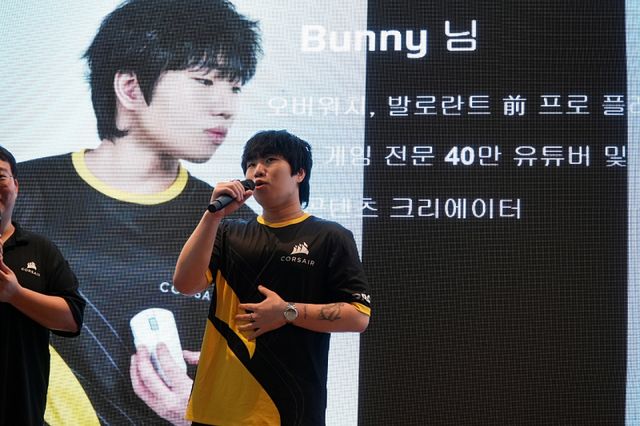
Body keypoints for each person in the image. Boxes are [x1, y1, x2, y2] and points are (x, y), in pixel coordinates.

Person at [12, 0, 261, 424]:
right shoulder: (23, 193)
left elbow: (270, 377)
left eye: (235, 87)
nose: (227, 106)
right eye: (204, 81)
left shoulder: (233, 222)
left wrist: (199, 414)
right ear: (129, 88)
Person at [173, 129, 372, 425]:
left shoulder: (330, 236)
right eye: (251, 164)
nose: (258, 170)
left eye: (269, 160)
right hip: (217, 406)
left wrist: (287, 312)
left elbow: (357, 316)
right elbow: (185, 284)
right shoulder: (227, 232)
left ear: (300, 173)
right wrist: (212, 217)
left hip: (288, 408)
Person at [0, 146, 86, 426]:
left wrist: (16, 294)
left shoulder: (40, 249)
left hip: (21, 407)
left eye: (0, 177)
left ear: (16, 185)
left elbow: (72, 319)